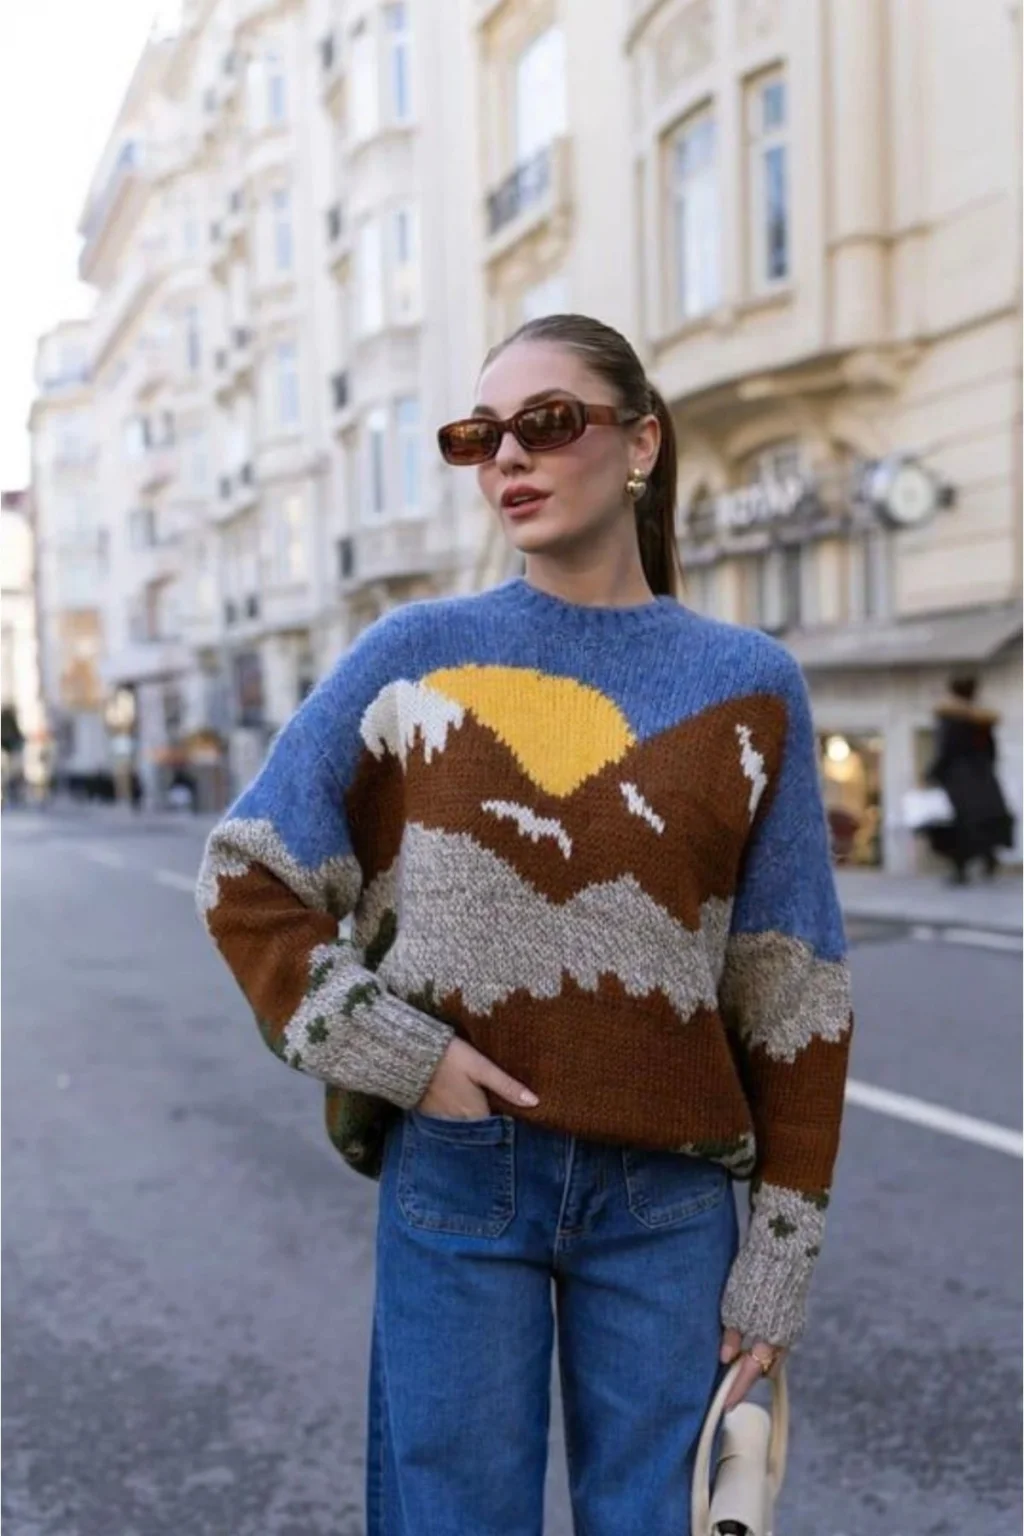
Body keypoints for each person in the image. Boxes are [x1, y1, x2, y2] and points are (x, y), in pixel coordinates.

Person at [196, 314, 853, 1535]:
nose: (508, 457)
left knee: (657, 1521)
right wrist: (404, 1054)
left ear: (640, 443)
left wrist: (776, 1264)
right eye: (478, 435)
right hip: (460, 1167)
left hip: (667, 1195)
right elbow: (247, 876)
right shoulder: (416, 658)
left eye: (546, 424)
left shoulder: (749, 683)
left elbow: (794, 989)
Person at [926, 675, 1014, 884]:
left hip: (959, 777)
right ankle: (988, 860)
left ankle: (961, 870)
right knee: (984, 820)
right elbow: (991, 750)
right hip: (983, 776)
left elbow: (946, 748)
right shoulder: (983, 720)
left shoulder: (950, 718)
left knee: (960, 824)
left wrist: (932, 773)